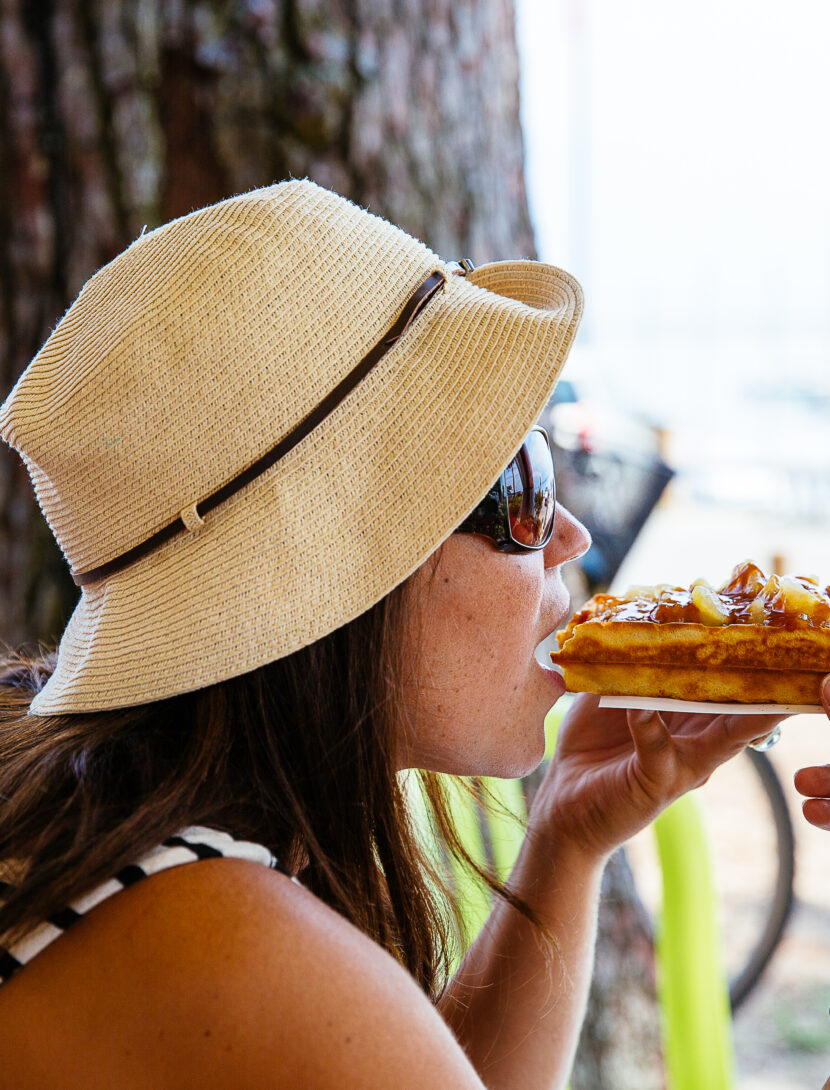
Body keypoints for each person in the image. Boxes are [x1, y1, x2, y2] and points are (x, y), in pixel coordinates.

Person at [0, 179, 823, 1090]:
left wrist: (568, 838)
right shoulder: (232, 950)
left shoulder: (109, 828)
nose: (571, 536)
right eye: (520, 486)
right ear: (346, 567)